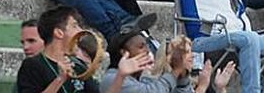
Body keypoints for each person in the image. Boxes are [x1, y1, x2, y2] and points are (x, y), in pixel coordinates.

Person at [101, 32, 236, 93]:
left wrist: (182, 77)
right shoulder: (112, 78)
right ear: (124, 53)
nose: (148, 51)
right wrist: (176, 72)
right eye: (141, 47)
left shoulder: (144, 78)